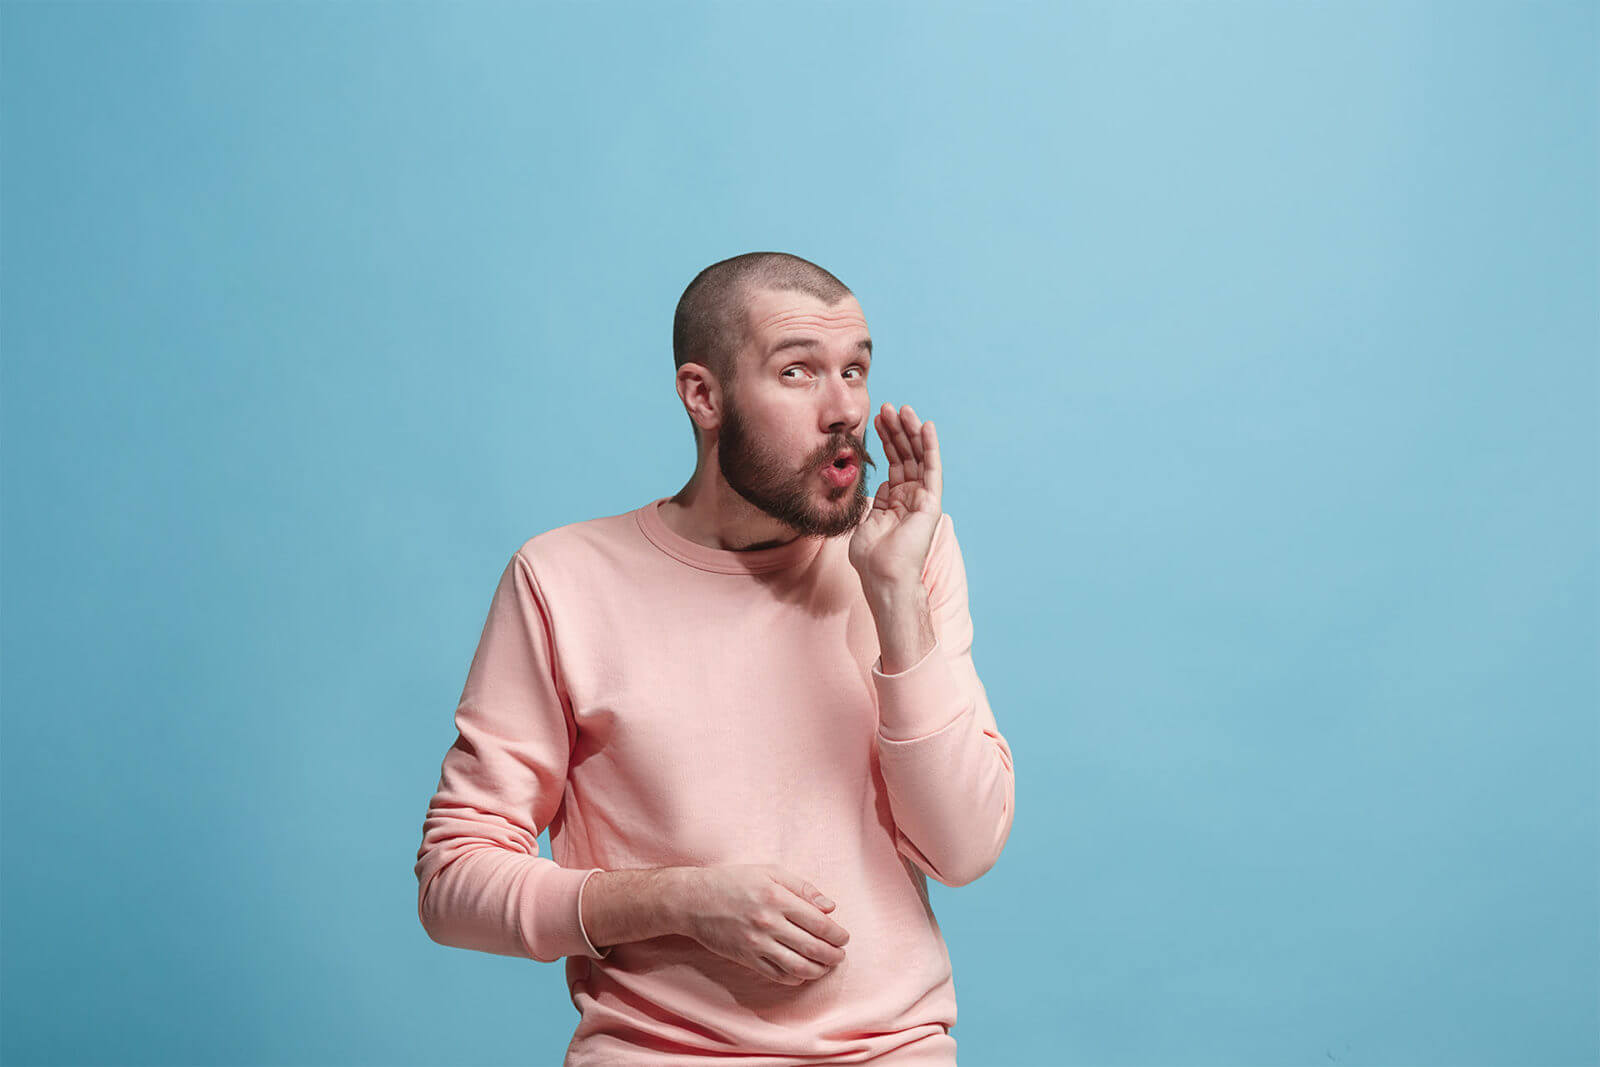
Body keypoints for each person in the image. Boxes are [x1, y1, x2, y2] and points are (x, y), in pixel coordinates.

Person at [414, 251, 1016, 1065]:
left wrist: (895, 597)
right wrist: (678, 898)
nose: (843, 409)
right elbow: (453, 884)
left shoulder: (908, 556)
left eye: (855, 370)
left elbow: (965, 847)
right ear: (703, 395)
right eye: (799, 371)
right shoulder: (562, 579)